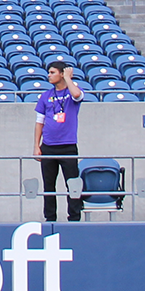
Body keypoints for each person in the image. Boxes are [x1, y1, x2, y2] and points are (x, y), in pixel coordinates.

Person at [33, 59, 84, 223]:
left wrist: (68, 78)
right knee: (49, 186)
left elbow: (77, 95)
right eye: (49, 72)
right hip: (48, 146)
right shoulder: (46, 96)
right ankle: (50, 218)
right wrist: (36, 146)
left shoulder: (72, 92)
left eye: (53, 72)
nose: (49, 75)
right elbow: (39, 122)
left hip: (67, 146)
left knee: (72, 186)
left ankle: (74, 218)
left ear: (62, 74)